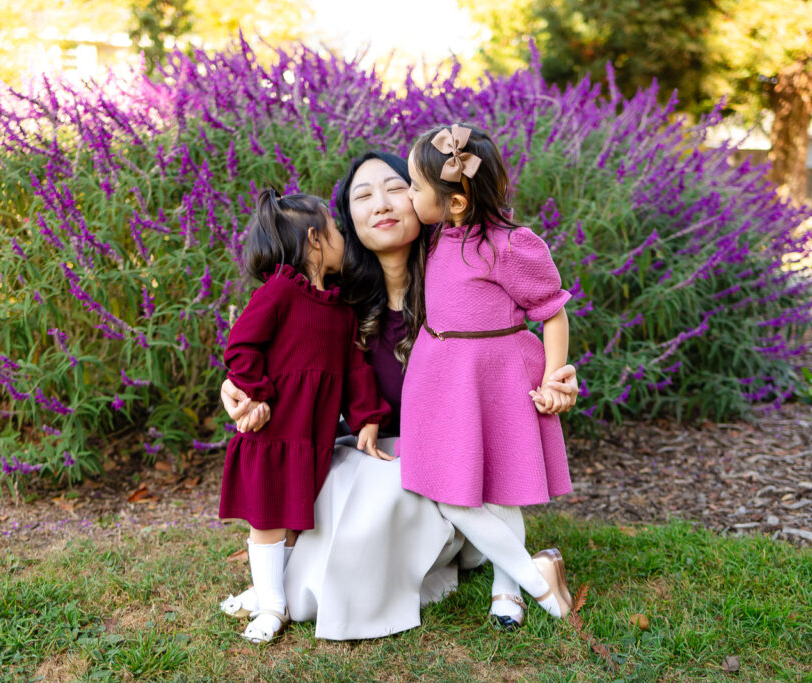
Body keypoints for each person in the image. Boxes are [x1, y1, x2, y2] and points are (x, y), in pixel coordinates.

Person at [220, 152, 578, 639]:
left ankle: (502, 575)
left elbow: (516, 341)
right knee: (345, 484)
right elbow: (271, 352)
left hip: (453, 468)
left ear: (424, 199)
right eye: (363, 196)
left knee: (384, 494)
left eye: (395, 188)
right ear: (343, 227)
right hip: (374, 453)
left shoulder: (464, 277)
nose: (382, 205)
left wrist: (555, 375)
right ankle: (282, 594)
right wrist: (236, 386)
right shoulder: (334, 302)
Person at [399, 123, 575, 628]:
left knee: (501, 489)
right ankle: (537, 576)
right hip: (444, 378)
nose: (409, 196)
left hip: (497, 376)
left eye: (414, 187)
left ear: (454, 203)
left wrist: (553, 378)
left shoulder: (510, 246)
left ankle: (508, 589)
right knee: (450, 493)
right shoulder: (438, 237)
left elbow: (552, 311)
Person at [218, 189, 390, 643]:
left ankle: (268, 589)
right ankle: (274, 603)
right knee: (268, 520)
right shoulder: (278, 292)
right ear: (315, 240)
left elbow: (355, 370)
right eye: (334, 229)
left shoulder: (341, 312)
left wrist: (368, 416)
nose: (341, 237)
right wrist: (256, 394)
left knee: (295, 518)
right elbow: (241, 345)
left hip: (311, 436)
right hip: (275, 430)